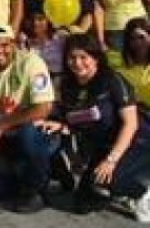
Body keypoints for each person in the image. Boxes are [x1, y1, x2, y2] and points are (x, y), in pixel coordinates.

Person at [45, 33, 150, 218]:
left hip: (136, 141)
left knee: (108, 182)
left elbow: (131, 124)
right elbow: (73, 120)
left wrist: (111, 161)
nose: (77, 63)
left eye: (83, 57)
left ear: (96, 58)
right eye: (72, 57)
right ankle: (118, 185)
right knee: (83, 204)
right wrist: (59, 125)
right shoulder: (67, 86)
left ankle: (142, 191)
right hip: (105, 145)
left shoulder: (112, 80)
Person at [0, 24, 59, 213]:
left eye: (5, 45)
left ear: (14, 45)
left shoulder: (32, 62)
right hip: (3, 133)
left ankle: (36, 191)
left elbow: (44, 108)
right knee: (1, 187)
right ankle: (16, 171)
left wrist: (3, 124)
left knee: (27, 135)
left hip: (36, 129)